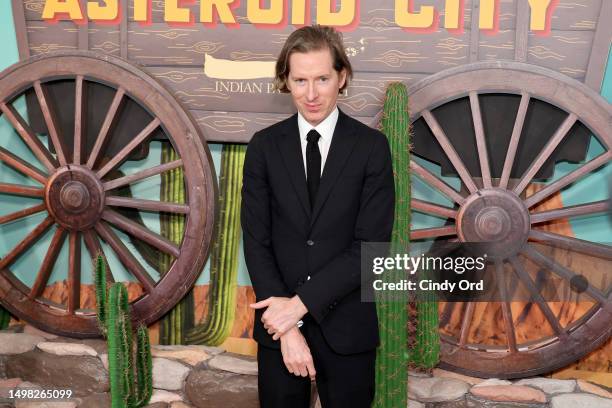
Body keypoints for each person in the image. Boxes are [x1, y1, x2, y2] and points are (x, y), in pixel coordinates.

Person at [241, 25, 395, 408]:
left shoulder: (372, 148)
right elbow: (256, 242)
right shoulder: (264, 147)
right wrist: (288, 325)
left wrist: (299, 305)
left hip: (348, 331)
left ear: (341, 77)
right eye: (300, 80)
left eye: (322, 79)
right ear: (286, 81)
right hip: (278, 332)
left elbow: (371, 249)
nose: (311, 94)